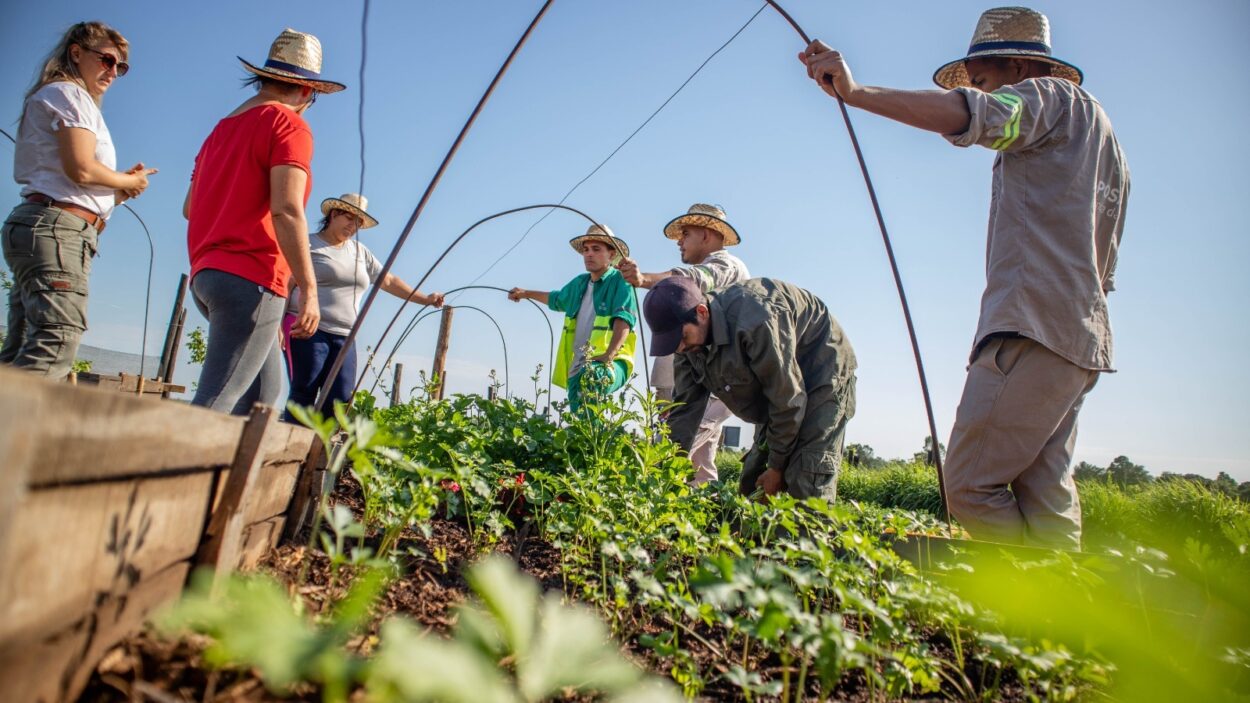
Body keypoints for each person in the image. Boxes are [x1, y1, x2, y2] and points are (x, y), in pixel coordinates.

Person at [799, 7, 1130, 548]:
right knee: (1045, 493)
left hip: (1030, 327)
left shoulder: (1048, 97)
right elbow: (1106, 261)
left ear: (1020, 67)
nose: (978, 91)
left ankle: (1028, 602)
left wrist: (855, 93)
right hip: (1079, 337)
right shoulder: (1104, 142)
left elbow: (971, 115)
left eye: (982, 79)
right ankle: (1059, 619)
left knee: (969, 486)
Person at [184, 28, 344, 415]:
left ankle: (224, 475)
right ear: (308, 92)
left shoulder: (220, 130)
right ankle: (158, 474)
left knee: (262, 394)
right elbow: (287, 209)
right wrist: (308, 289)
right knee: (214, 403)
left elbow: (191, 207)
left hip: (206, 274)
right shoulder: (290, 126)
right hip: (251, 277)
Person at [2, 21, 156, 379]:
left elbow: (76, 183)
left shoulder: (64, 96)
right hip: (57, 230)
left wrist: (120, 190)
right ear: (76, 53)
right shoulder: (69, 94)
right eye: (106, 60)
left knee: (23, 344)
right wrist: (126, 180)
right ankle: (17, 429)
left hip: (51, 224)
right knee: (57, 338)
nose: (113, 72)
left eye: (121, 66)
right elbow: (82, 170)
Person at [644, 277, 857, 501]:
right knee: (753, 482)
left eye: (683, 337)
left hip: (822, 372)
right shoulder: (688, 348)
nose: (680, 347)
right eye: (672, 343)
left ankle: (805, 532)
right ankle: (760, 534)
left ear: (702, 312)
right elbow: (684, 411)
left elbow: (788, 400)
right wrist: (665, 475)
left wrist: (777, 467)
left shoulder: (755, 321)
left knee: (805, 481)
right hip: (781, 387)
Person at [619, 203, 750, 485]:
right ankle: (704, 512)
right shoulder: (708, 267)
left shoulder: (727, 265)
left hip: (716, 380)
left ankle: (651, 500)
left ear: (706, 234)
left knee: (677, 442)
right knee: (702, 461)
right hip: (691, 376)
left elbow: (691, 280)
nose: (679, 240)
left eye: (686, 233)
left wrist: (644, 280)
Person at [281, 193, 444, 418]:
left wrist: (425, 299)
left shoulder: (360, 253)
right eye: (349, 218)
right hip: (307, 328)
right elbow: (286, 283)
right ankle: (290, 449)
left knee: (340, 399)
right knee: (304, 392)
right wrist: (276, 325)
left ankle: (320, 451)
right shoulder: (307, 244)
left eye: (358, 222)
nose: (353, 226)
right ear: (334, 214)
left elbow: (388, 281)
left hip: (345, 336)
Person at [507, 225, 638, 414]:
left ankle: (612, 442)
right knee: (580, 419)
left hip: (611, 361)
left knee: (592, 382)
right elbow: (556, 299)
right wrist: (525, 293)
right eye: (586, 250)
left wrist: (609, 355)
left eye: (596, 249)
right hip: (579, 363)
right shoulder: (580, 283)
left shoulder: (620, 280)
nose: (589, 254)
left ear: (611, 255)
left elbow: (623, 320)